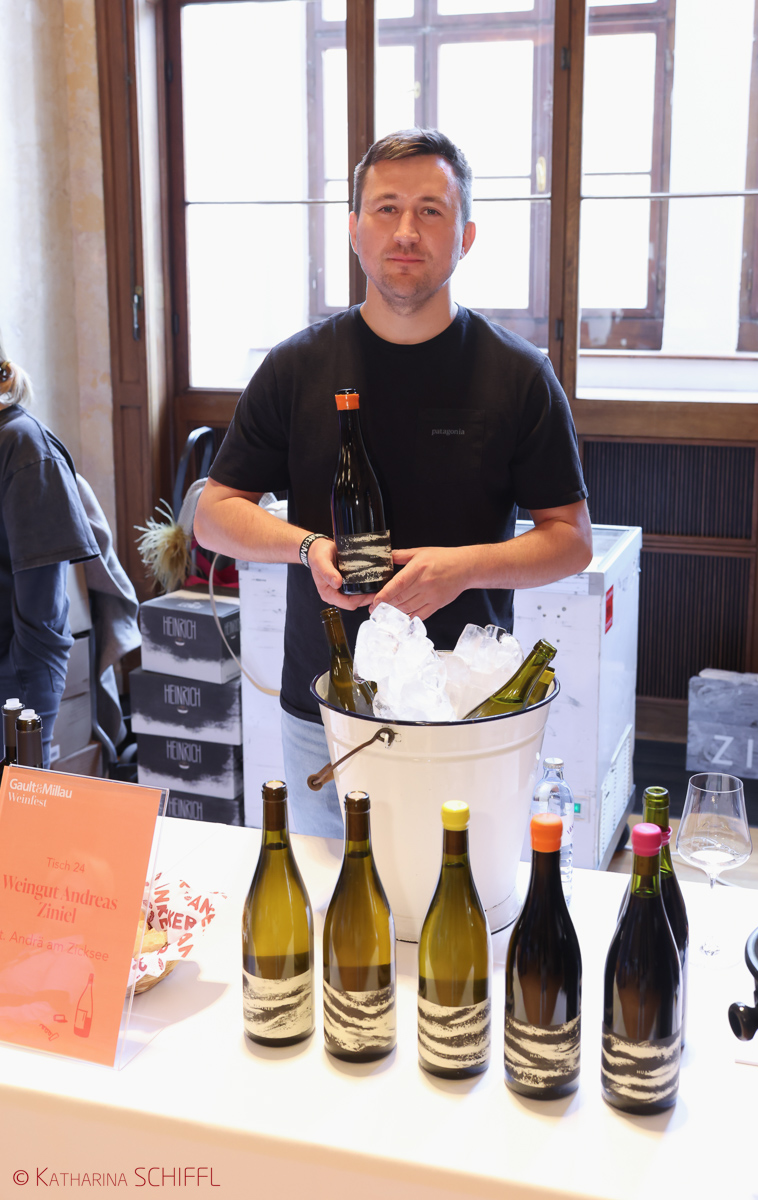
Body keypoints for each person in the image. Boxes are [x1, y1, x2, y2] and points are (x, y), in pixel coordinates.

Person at [195, 128, 591, 835]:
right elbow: (214, 514)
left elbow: (570, 540)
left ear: (466, 235)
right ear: (354, 229)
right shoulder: (295, 368)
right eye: (386, 208)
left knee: (456, 896)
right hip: (326, 709)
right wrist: (307, 547)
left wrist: (463, 569)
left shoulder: (518, 375)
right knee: (332, 894)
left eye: (431, 211)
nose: (406, 230)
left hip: (466, 713)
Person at [0, 345, 100, 766]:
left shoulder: (25, 448)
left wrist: (25, 701)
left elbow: (40, 612)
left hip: (14, 681)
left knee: (16, 805)